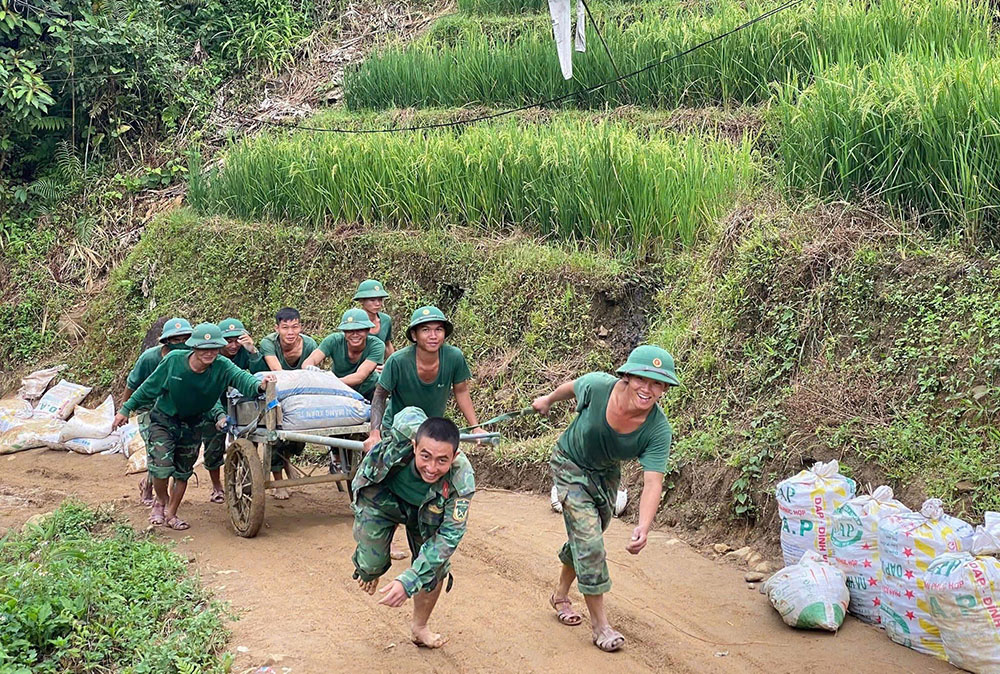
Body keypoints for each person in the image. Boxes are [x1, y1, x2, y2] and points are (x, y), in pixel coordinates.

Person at [531, 345, 679, 653]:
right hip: (569, 462)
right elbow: (571, 387)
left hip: (606, 474)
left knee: (588, 537)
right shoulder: (599, 387)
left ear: (665, 389)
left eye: (657, 383)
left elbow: (653, 481)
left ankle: (560, 595)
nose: (647, 389)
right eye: (641, 379)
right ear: (627, 377)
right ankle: (601, 626)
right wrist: (547, 400)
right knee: (589, 541)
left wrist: (644, 526)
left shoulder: (657, 430)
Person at [113, 323, 277, 530]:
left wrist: (260, 384)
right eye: (203, 348)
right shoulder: (174, 361)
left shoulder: (222, 366)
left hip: (194, 423)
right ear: (194, 347)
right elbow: (148, 387)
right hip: (164, 419)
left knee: (183, 472)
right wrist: (125, 409)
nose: (209, 353)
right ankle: (161, 501)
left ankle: (171, 514)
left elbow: (242, 378)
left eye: (214, 348)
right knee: (161, 468)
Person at [352, 407, 474, 649]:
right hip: (382, 499)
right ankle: (371, 568)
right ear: (414, 446)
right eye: (425, 456)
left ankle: (420, 627)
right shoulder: (404, 435)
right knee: (370, 565)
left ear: (455, 456)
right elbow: (408, 413)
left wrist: (410, 580)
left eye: (442, 460)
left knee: (434, 569)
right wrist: (376, 432)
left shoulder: (462, 481)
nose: (432, 467)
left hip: (426, 514)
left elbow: (449, 536)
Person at [364, 306, 482, 452]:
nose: (433, 336)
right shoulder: (397, 361)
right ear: (414, 335)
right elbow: (380, 396)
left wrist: (475, 427)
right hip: (398, 430)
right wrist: (375, 434)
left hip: (431, 430)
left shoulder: (453, 357)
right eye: (425, 330)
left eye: (438, 330)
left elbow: (461, 391)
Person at [122, 317, 193, 506]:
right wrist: (125, 409)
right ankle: (158, 496)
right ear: (167, 341)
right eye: (176, 339)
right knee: (157, 450)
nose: (182, 343)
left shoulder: (191, 357)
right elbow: (132, 384)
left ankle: (148, 483)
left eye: (185, 338)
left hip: (175, 410)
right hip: (148, 409)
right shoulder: (149, 358)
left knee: (171, 454)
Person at [199, 318, 264, 504]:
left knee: (250, 440)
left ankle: (246, 478)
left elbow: (259, 374)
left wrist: (253, 352)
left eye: (237, 340)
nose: (234, 345)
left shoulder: (245, 352)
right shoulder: (211, 355)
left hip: (242, 403)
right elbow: (206, 388)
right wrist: (218, 415)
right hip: (212, 402)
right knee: (213, 445)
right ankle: (216, 486)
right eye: (229, 341)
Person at [258, 307, 319, 499]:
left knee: (298, 437)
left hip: (300, 395)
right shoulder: (268, 343)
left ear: (301, 327)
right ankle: (278, 483)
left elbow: (311, 374)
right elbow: (277, 372)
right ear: (277, 328)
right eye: (285, 328)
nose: (290, 332)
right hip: (275, 393)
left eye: (295, 327)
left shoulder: (309, 344)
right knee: (276, 434)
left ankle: (286, 462)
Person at [303, 308, 386, 401]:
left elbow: (360, 376)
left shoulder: (376, 345)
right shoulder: (334, 340)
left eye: (360, 330)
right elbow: (310, 360)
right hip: (339, 389)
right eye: (350, 331)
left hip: (368, 390)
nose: (355, 335)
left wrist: (329, 383)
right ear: (344, 332)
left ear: (367, 331)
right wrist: (311, 369)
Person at [353, 279, 394, 357]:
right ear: (361, 301)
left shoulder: (386, 320)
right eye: (372, 300)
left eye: (380, 300)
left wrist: (393, 362)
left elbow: (387, 344)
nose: (377, 304)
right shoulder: (354, 321)